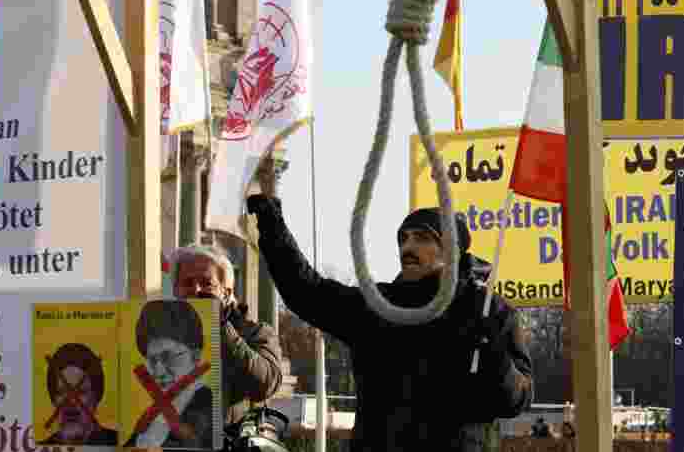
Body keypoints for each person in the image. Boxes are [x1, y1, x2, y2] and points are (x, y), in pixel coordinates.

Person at [246, 176, 534, 452]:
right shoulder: (377, 305)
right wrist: (273, 228)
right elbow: (307, 291)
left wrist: (493, 352)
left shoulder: (486, 310)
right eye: (403, 239)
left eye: (422, 238)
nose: (407, 247)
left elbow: (516, 400)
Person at [170, 244, 283, 423]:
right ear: (176, 290)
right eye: (188, 283)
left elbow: (265, 385)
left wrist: (220, 327)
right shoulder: (158, 332)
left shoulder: (256, 333)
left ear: (226, 292)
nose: (196, 290)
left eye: (206, 283)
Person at [125, 299, 215, 448]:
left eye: (169, 357)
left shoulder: (207, 406)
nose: (158, 372)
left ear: (196, 356)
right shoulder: (153, 414)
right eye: (152, 360)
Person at [40, 343, 119, 446]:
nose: (70, 402)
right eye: (62, 392)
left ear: (95, 399)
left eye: (80, 392)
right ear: (54, 400)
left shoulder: (117, 443)